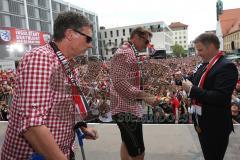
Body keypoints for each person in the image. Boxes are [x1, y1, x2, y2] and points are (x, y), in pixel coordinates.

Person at [1, 11, 98, 160]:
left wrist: (82, 127)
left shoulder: (68, 64)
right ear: (70, 34)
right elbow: (32, 125)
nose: (90, 45)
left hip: (60, 151)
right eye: (88, 38)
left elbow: (68, 104)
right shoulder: (41, 58)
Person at [182, 33, 238, 160]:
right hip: (202, 122)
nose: (198, 53)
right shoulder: (204, 64)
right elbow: (192, 80)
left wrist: (191, 89)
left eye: (200, 49)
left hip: (215, 126)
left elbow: (220, 97)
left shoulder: (226, 66)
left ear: (211, 47)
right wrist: (182, 79)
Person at [110, 27, 159, 160]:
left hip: (126, 107)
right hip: (125, 108)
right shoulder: (125, 53)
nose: (147, 45)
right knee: (139, 152)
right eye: (146, 41)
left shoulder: (130, 51)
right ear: (136, 37)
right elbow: (119, 82)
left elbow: (126, 79)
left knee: (127, 143)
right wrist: (145, 96)